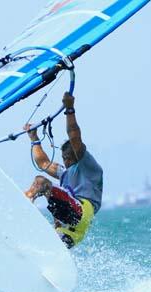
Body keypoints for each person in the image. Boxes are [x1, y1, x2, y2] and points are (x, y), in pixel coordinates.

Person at [24, 92, 103, 248]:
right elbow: (43, 163)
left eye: (67, 157)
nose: (65, 161)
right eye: (64, 157)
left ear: (76, 153)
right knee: (47, 249)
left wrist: (69, 109)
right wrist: (34, 139)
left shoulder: (87, 166)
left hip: (81, 212)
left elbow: (75, 138)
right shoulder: (65, 173)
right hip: (73, 232)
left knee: (41, 182)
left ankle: (26, 200)